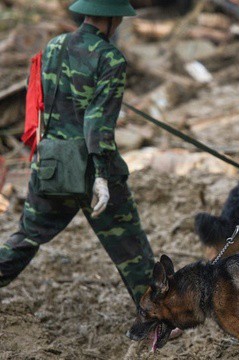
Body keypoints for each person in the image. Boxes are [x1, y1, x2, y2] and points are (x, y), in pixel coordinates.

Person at [1, 0, 157, 316]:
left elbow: (40, 100)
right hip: (92, 169)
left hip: (52, 163)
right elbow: (97, 122)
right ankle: (158, 317)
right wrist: (101, 175)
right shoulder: (110, 57)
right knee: (132, 251)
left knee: (25, 238)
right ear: (113, 18)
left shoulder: (55, 45)